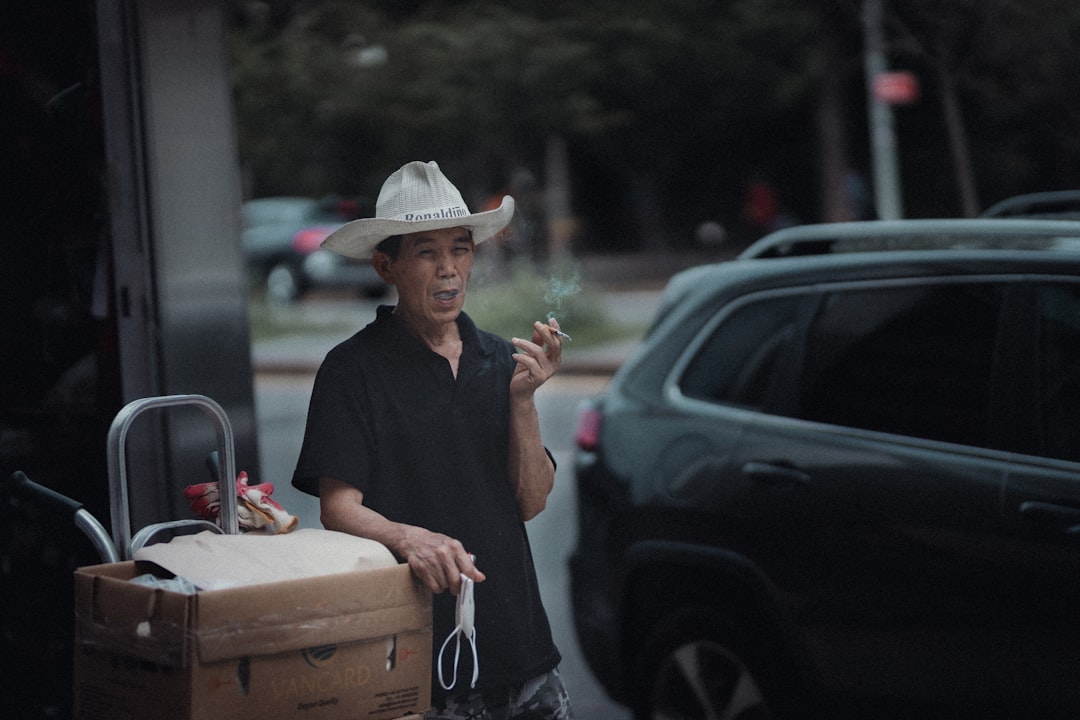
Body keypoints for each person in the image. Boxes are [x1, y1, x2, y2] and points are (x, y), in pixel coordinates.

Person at [291, 160, 574, 720]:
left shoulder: (499, 359)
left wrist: (522, 402)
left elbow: (532, 501)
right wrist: (410, 539)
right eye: (426, 252)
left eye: (460, 249)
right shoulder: (352, 370)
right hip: (419, 666)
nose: (448, 270)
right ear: (386, 265)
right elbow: (337, 507)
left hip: (524, 655)